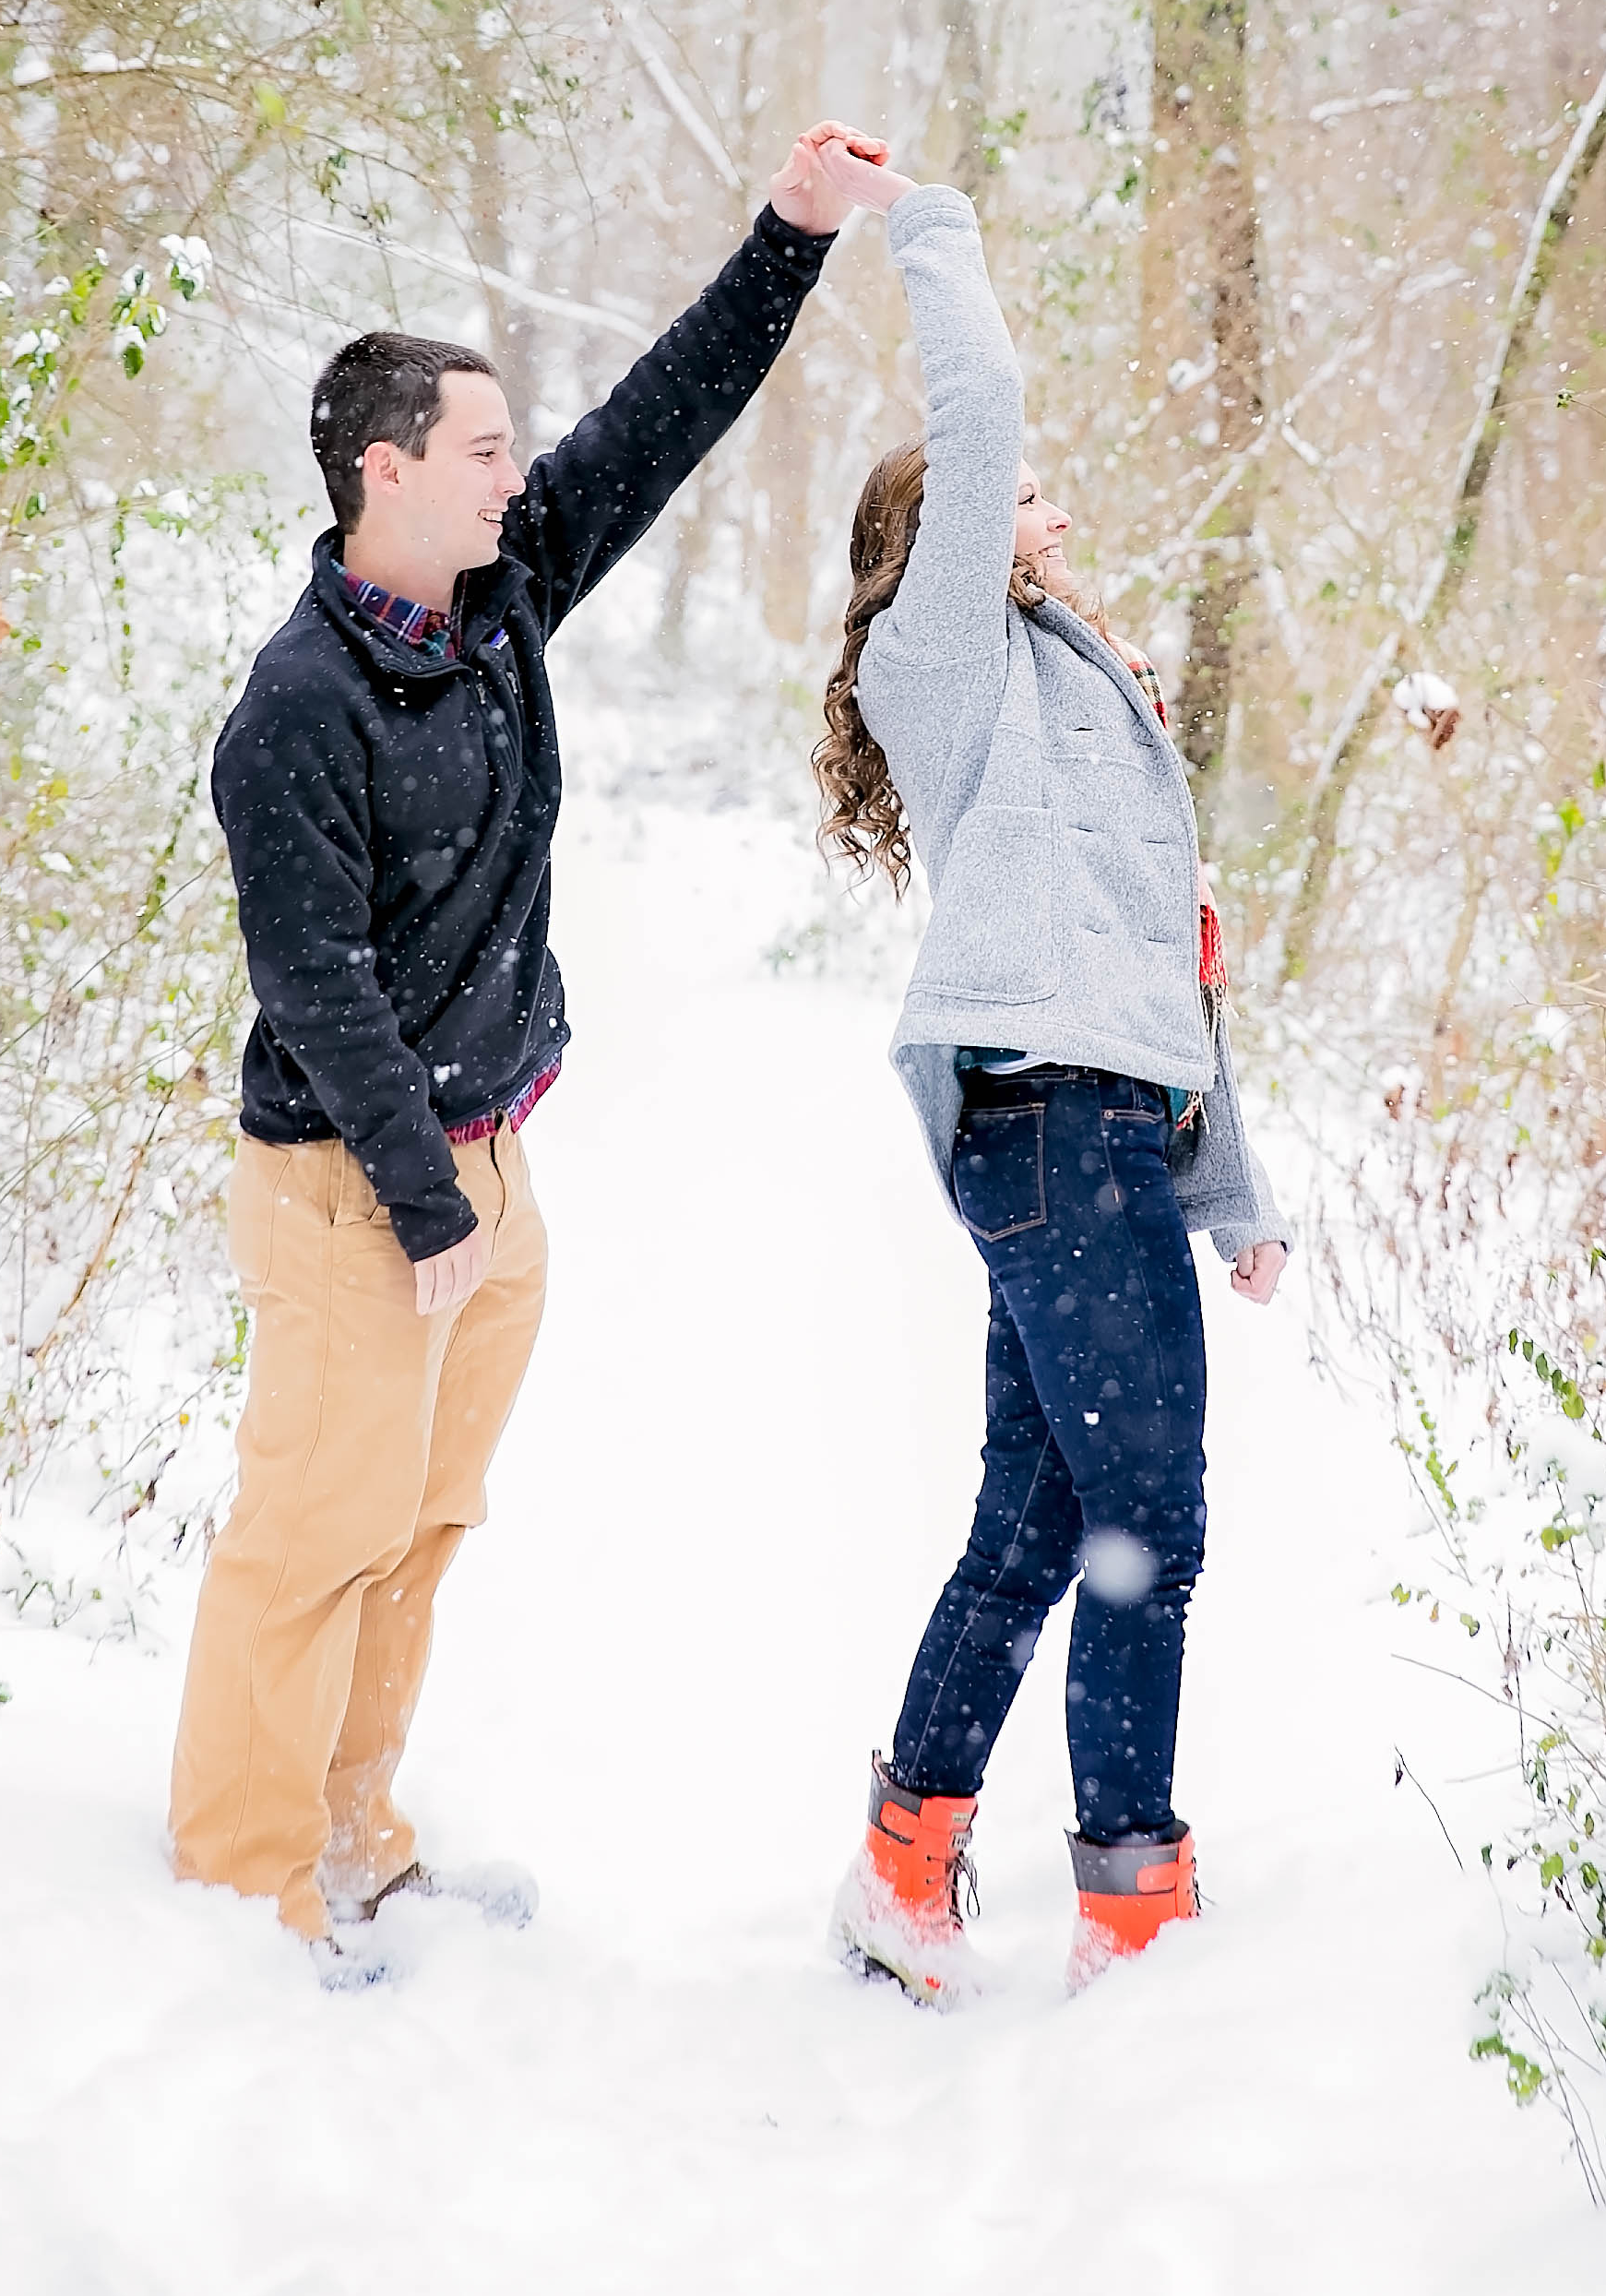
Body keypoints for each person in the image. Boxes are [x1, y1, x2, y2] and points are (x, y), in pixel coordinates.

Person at [170, 121, 876, 1974]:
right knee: (313, 1532)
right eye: (484, 449)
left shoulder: (495, 602)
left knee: (415, 1523)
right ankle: (244, 1886)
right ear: (385, 470)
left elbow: (660, 420)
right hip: (351, 1188)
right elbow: (315, 984)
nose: (518, 474)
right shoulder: (295, 710)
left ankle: (355, 1830)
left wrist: (786, 238)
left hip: (482, 1168)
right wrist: (422, 1202)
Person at [810, 142, 1291, 2008]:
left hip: (1095, 1120)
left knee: (1035, 1519)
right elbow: (985, 396)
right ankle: (1131, 1909)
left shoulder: (1086, 697)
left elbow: (1173, 964)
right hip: (1036, 1114)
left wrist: (1228, 1186)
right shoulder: (943, 670)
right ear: (942, 535)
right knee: (1141, 1526)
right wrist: (923, 216)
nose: (1041, 492)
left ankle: (901, 1868)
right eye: (1002, 495)